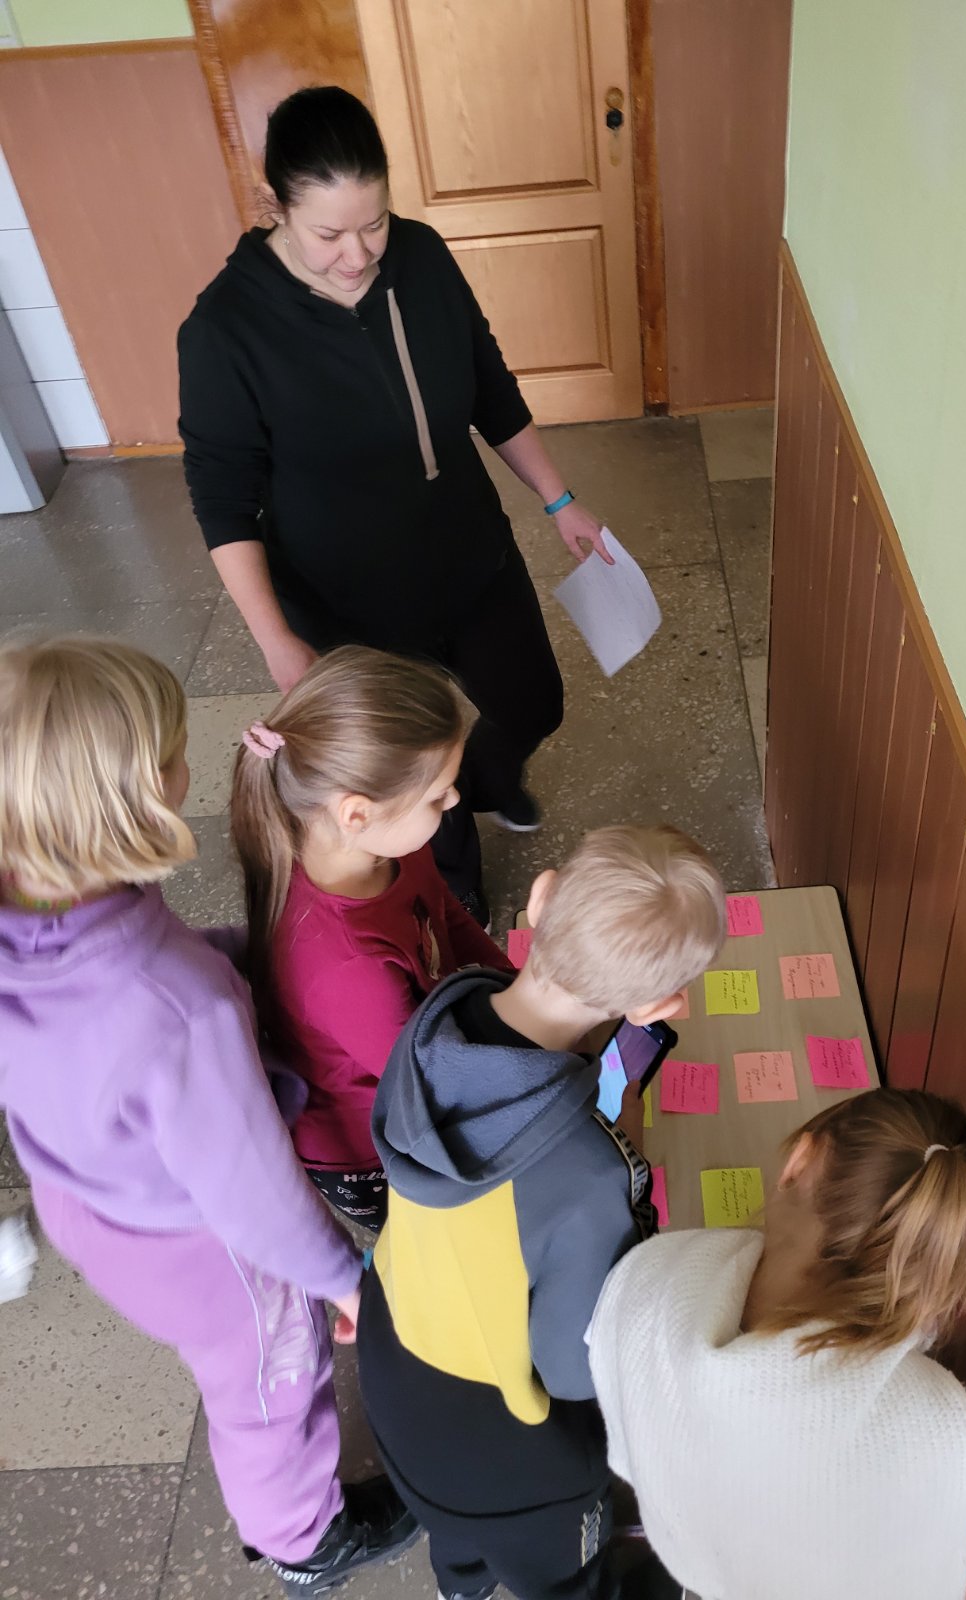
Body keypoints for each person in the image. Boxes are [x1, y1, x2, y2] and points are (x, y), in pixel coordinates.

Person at [0, 637, 419, 1598]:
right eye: (177, 753)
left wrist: (241, 956)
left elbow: (119, 981)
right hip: (198, 1245)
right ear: (139, 800)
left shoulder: (33, 896)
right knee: (267, 1383)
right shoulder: (180, 1012)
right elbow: (254, 1198)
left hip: (79, 1188)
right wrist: (340, 1280)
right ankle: (303, 1540)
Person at [178, 83, 613, 924]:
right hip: (349, 600)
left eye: (373, 224)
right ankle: (454, 884)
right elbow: (222, 500)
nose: (357, 254)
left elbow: (489, 386)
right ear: (274, 203)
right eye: (328, 234)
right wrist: (279, 643)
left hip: (469, 553)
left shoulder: (421, 256)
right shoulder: (225, 330)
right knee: (407, 770)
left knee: (533, 704)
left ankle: (483, 780)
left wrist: (559, 497)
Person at [356, 825, 727, 1600]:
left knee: (460, 1536)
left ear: (541, 897)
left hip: (396, 1369)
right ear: (655, 1006)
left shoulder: (436, 1026)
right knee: (566, 1579)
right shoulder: (590, 1179)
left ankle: (459, 1585)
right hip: (507, 1457)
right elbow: (570, 1368)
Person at [588, 1088, 966, 1600]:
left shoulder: (651, 1276)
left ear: (798, 1161)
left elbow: (626, 1444)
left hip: (690, 1558)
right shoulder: (937, 1424)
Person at [229, 645, 512, 1233]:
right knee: (434, 1240)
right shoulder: (347, 967)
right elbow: (429, 1088)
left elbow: (444, 915)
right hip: (371, 1149)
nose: (454, 801)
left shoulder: (387, 846)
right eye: (438, 794)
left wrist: (513, 982)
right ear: (356, 813)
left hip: (421, 1059)